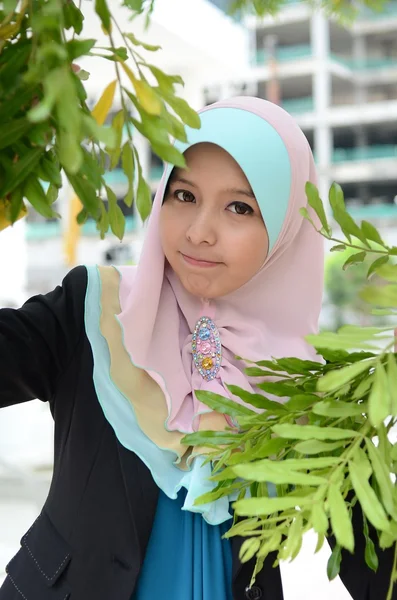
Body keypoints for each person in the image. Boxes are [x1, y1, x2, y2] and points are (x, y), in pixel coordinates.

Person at [0, 97, 393, 600]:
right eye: (184, 195)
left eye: (239, 207)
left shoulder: (310, 385)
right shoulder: (94, 309)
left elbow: (382, 564)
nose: (199, 232)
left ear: (286, 228)